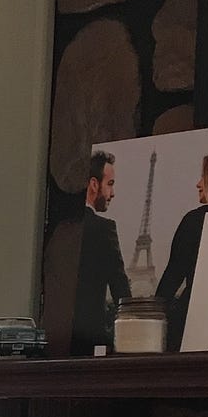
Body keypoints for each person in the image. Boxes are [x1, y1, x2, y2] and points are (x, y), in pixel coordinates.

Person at [155, 146, 208, 351]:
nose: (198, 184)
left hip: (189, 324)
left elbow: (170, 282)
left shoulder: (196, 220)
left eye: (204, 176)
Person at [72, 151, 132, 355]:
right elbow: (120, 288)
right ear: (94, 184)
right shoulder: (103, 229)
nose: (112, 193)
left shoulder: (59, 227)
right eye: (110, 184)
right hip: (89, 343)